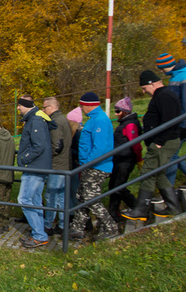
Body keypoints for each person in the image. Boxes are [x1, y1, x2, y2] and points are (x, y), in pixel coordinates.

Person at [122, 71, 183, 221]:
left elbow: (170, 121)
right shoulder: (163, 95)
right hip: (162, 141)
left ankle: (141, 209)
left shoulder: (164, 96)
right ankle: (174, 207)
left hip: (163, 142)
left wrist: (159, 142)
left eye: (144, 88)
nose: (144, 92)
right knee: (158, 174)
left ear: (152, 83)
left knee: (148, 173)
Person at [68, 92, 119, 240]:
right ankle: (77, 228)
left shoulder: (100, 120)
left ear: (89, 105)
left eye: (82, 105)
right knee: (82, 196)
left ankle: (110, 227)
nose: (81, 108)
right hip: (89, 166)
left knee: (90, 198)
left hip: (96, 166)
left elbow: (100, 148)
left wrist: (87, 163)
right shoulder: (94, 119)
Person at [156, 52, 186, 187]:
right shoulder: (176, 76)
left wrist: (183, 125)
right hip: (177, 122)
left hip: (181, 123)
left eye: (161, 67)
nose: (161, 71)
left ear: (167, 65)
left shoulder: (185, 76)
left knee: (170, 155)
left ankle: (172, 189)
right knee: (172, 154)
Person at [15, 95, 54, 249]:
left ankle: (39, 235)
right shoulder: (35, 119)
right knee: (35, 201)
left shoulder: (36, 120)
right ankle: (38, 232)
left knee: (24, 199)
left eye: (19, 105)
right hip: (37, 166)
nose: (17, 108)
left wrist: (24, 158)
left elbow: (39, 145)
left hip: (34, 167)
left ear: (25, 105)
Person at [108, 97, 142, 221]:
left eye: (118, 111)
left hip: (125, 160)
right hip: (119, 159)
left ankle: (138, 207)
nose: (116, 114)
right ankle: (113, 213)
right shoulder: (125, 124)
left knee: (119, 187)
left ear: (125, 112)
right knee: (114, 186)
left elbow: (136, 144)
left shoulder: (130, 124)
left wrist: (139, 160)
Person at [42, 97, 72, 235]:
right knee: (61, 196)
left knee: (51, 195)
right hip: (63, 164)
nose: (43, 110)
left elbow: (57, 146)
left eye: (44, 107)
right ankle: (62, 224)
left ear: (51, 107)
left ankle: (48, 224)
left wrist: (46, 156)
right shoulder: (63, 119)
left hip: (57, 165)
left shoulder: (55, 122)